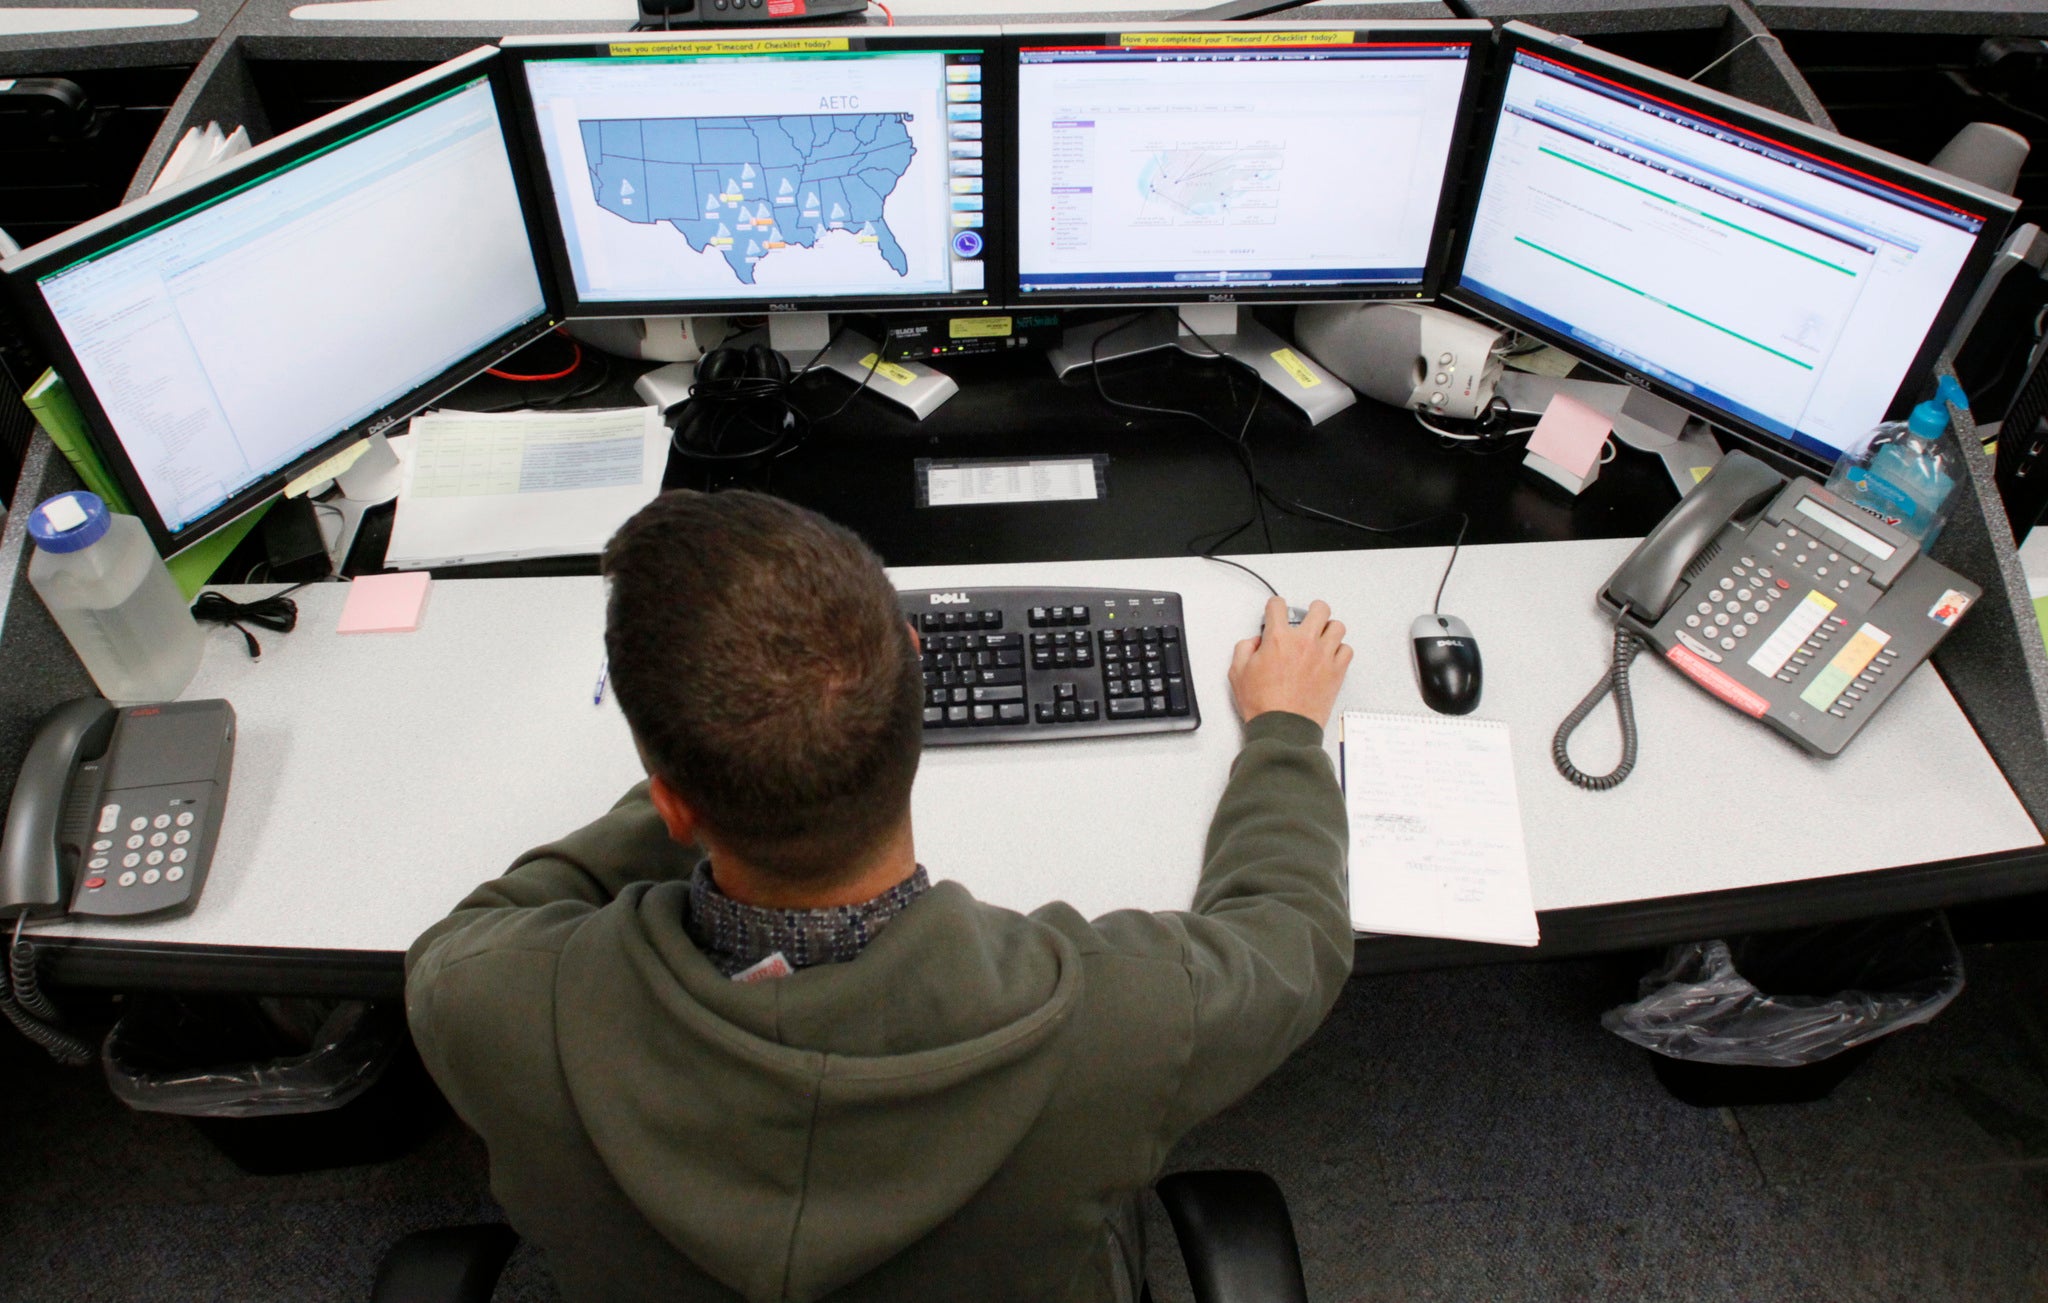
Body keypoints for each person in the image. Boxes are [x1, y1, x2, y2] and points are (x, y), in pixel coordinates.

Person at [405, 489, 1354, 1303]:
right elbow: (1292, 933)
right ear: (916, 670)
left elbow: (487, 922)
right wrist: (1282, 731)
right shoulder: (1117, 1020)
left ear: (668, 801)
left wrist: (712, 766)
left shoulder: (490, 1001)